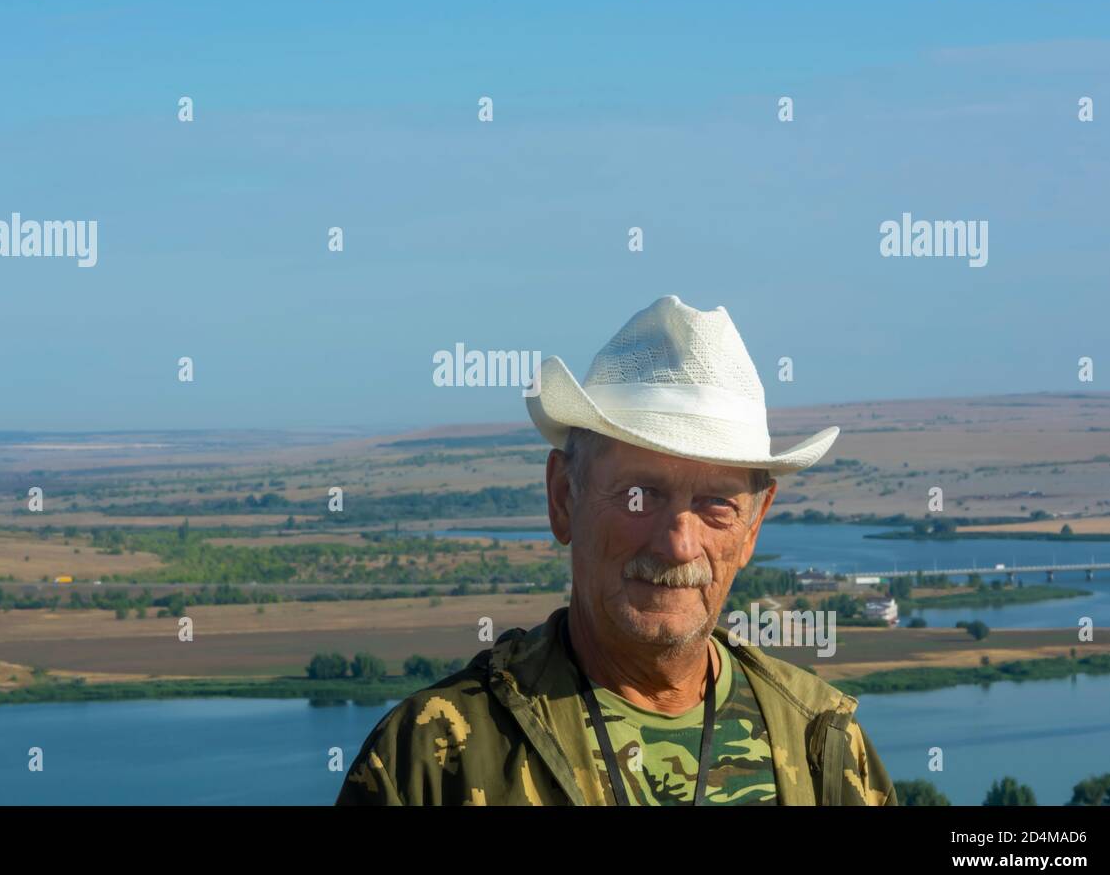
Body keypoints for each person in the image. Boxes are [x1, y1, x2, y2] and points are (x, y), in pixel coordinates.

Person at [337, 295, 896, 806]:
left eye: (716, 504)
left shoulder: (823, 746)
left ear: (752, 527)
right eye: (640, 495)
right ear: (563, 496)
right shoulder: (433, 759)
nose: (678, 544)